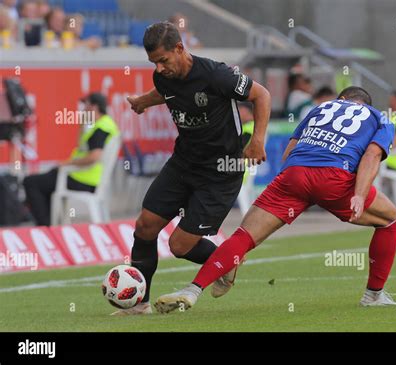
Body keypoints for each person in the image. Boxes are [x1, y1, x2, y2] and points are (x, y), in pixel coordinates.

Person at [155, 86, 396, 314]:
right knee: (391, 218)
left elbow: (290, 150)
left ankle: (191, 290)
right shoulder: (379, 117)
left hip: (294, 173)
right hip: (336, 178)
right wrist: (359, 195)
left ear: (342, 99)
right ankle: (373, 295)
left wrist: (298, 193)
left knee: (243, 235)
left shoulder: (321, 107)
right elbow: (371, 155)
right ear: (366, 104)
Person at [116, 21, 271, 315]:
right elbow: (165, 91)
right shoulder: (163, 76)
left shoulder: (216, 75)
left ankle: (226, 260)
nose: (159, 68)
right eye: (153, 63)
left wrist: (257, 141)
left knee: (179, 245)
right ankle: (139, 305)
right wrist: (141, 103)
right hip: (184, 163)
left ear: (179, 48)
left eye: (162, 60)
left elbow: (261, 95)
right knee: (145, 226)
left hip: (220, 171)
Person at [23, 93, 119, 226]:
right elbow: (82, 147)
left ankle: (46, 226)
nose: (83, 109)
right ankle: (51, 223)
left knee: (31, 182)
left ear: (94, 107)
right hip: (84, 176)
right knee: (47, 180)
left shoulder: (101, 128)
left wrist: (67, 164)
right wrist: (82, 124)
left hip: (83, 178)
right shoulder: (106, 124)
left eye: (85, 105)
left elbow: (94, 156)